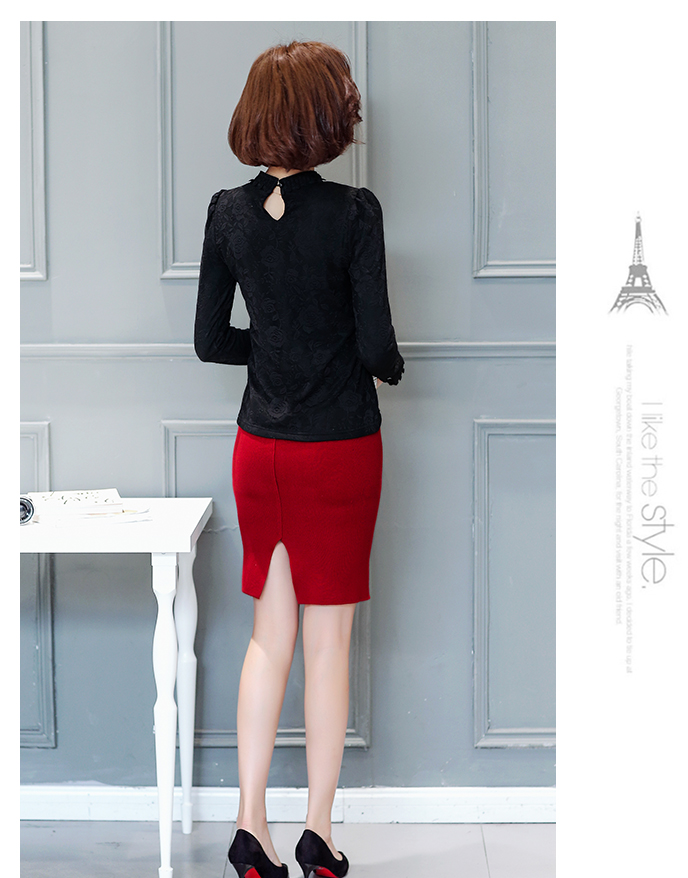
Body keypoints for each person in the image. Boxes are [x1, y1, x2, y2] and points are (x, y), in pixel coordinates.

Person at [194, 40, 404, 878]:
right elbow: (376, 344)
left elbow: (211, 342)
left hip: (261, 451)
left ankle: (251, 829)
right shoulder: (355, 213)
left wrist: (279, 349)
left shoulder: (226, 211)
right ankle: (319, 833)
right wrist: (385, 365)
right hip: (340, 450)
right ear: (324, 115)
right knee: (327, 646)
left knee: (266, 640)